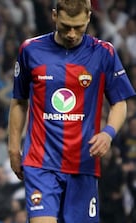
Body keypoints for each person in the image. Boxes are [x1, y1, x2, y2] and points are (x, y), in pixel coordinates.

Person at [8, 0, 136, 222]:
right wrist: (12, 150)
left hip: (83, 164)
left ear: (88, 17)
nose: (71, 34)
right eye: (66, 26)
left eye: (78, 27)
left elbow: (119, 102)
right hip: (40, 163)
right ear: (55, 16)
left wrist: (108, 133)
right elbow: (19, 101)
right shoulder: (31, 50)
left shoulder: (103, 53)